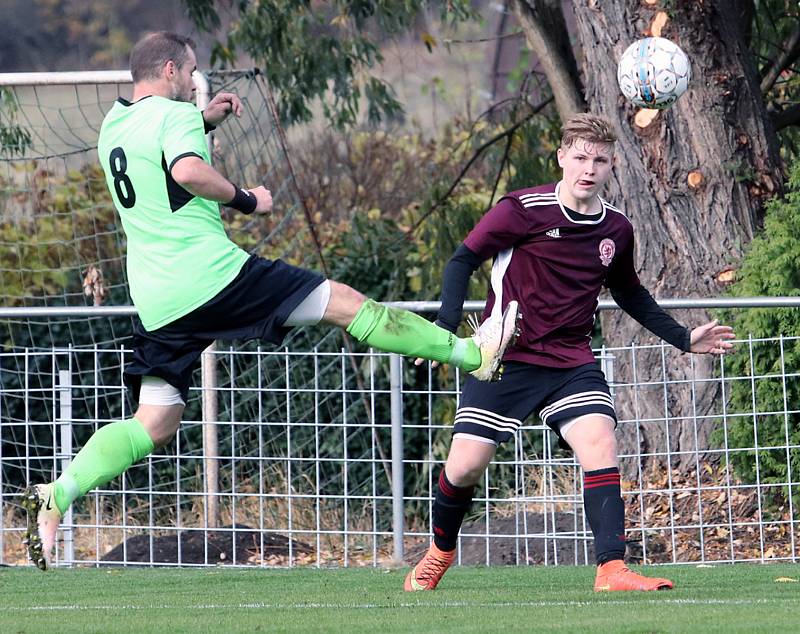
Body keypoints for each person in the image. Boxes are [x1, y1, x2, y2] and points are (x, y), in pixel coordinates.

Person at [21, 31, 520, 571]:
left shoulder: (115, 124)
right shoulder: (175, 116)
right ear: (169, 70)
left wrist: (205, 120)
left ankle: (58, 494)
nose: (193, 81)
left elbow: (158, 162)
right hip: (212, 277)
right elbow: (185, 170)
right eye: (189, 72)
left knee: (154, 422)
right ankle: (473, 354)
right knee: (345, 304)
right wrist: (246, 199)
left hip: (157, 298)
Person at [404, 112, 735, 593]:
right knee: (465, 467)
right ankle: (439, 553)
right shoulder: (522, 209)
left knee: (601, 442)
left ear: (613, 164)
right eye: (580, 157)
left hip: (570, 361)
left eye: (600, 159)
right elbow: (462, 259)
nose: (589, 167)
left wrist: (684, 337)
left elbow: (629, 293)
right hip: (504, 358)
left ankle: (612, 569)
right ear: (562, 157)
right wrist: (446, 331)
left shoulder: (617, 229)